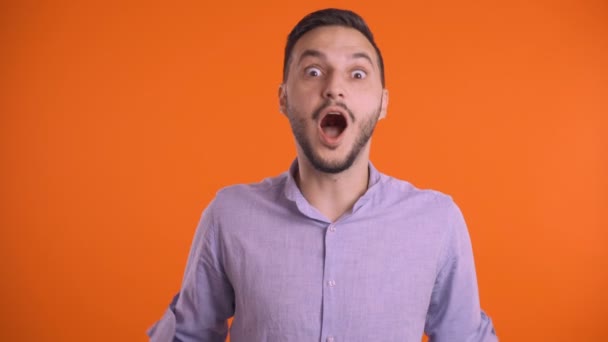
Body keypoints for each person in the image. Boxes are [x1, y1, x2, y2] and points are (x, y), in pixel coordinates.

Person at [148, 8, 498, 342]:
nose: (334, 88)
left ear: (383, 103)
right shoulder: (229, 215)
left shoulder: (437, 222)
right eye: (313, 71)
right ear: (283, 98)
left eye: (357, 74)